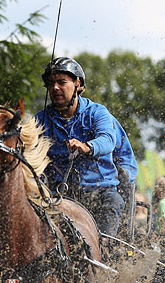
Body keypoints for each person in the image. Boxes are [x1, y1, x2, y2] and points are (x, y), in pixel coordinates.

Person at [34, 57, 137, 237]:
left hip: (100, 195)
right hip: (59, 197)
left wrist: (87, 147)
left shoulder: (98, 113)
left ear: (78, 84)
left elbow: (107, 140)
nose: (55, 87)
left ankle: (107, 257)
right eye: (51, 84)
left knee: (113, 202)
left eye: (62, 82)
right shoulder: (40, 120)